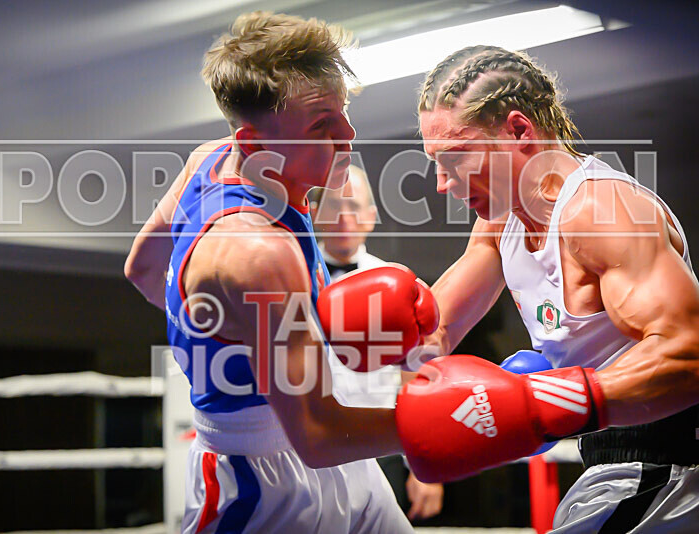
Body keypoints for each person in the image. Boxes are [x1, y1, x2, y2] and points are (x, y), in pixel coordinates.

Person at [125, 12, 423, 533]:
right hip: (262, 480)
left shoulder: (206, 160)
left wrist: (231, 328)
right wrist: (449, 423)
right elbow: (316, 434)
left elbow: (144, 271)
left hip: (343, 455)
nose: (348, 135)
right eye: (320, 123)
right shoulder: (260, 252)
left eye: (344, 112)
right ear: (254, 143)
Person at [399, 46, 699, 532]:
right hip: (611, 463)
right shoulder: (500, 223)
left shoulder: (602, 210)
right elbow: (434, 330)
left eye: (455, 158)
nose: (442, 184)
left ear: (518, 131)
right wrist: (370, 333)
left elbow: (690, 352)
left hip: (675, 470)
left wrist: (542, 403)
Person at [311, 165, 444, 522]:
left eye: (354, 206)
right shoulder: (296, 280)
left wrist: (421, 464)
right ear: (315, 213)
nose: (344, 216)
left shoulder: (395, 282)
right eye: (334, 205)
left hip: (379, 444)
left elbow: (414, 378)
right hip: (310, 445)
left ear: (370, 217)